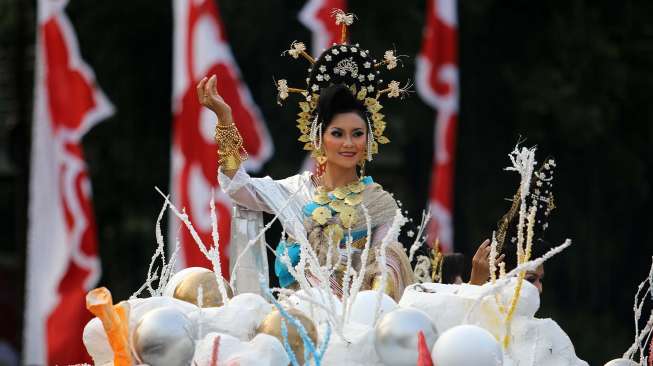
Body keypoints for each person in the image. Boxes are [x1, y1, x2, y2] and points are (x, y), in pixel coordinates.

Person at [196, 36, 414, 300]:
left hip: (356, 319)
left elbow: (386, 268)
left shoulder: (379, 204)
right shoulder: (295, 191)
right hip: (297, 318)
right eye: (337, 133)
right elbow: (237, 186)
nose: (349, 143)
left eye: (357, 134)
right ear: (319, 139)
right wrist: (225, 120)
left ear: (370, 140)